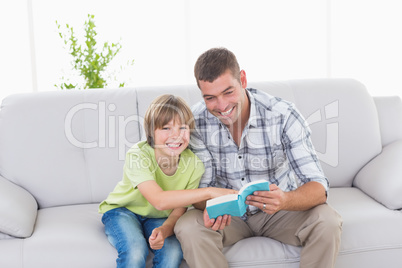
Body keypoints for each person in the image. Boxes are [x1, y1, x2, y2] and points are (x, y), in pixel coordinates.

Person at [174, 47, 343, 268]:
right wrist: (210, 207)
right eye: (210, 98)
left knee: (327, 221)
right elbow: (197, 190)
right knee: (188, 225)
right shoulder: (194, 123)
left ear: (242, 79)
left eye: (228, 92)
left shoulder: (283, 115)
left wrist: (285, 199)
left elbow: (318, 187)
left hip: (281, 211)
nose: (222, 106)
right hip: (228, 216)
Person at [99, 94, 236, 268]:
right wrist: (209, 192)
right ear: (151, 132)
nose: (176, 136)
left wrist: (164, 231)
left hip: (158, 218)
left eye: (182, 128)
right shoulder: (138, 155)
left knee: (172, 252)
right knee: (135, 249)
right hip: (123, 212)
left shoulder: (194, 165)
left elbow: (178, 212)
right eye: (166, 128)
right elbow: (159, 200)